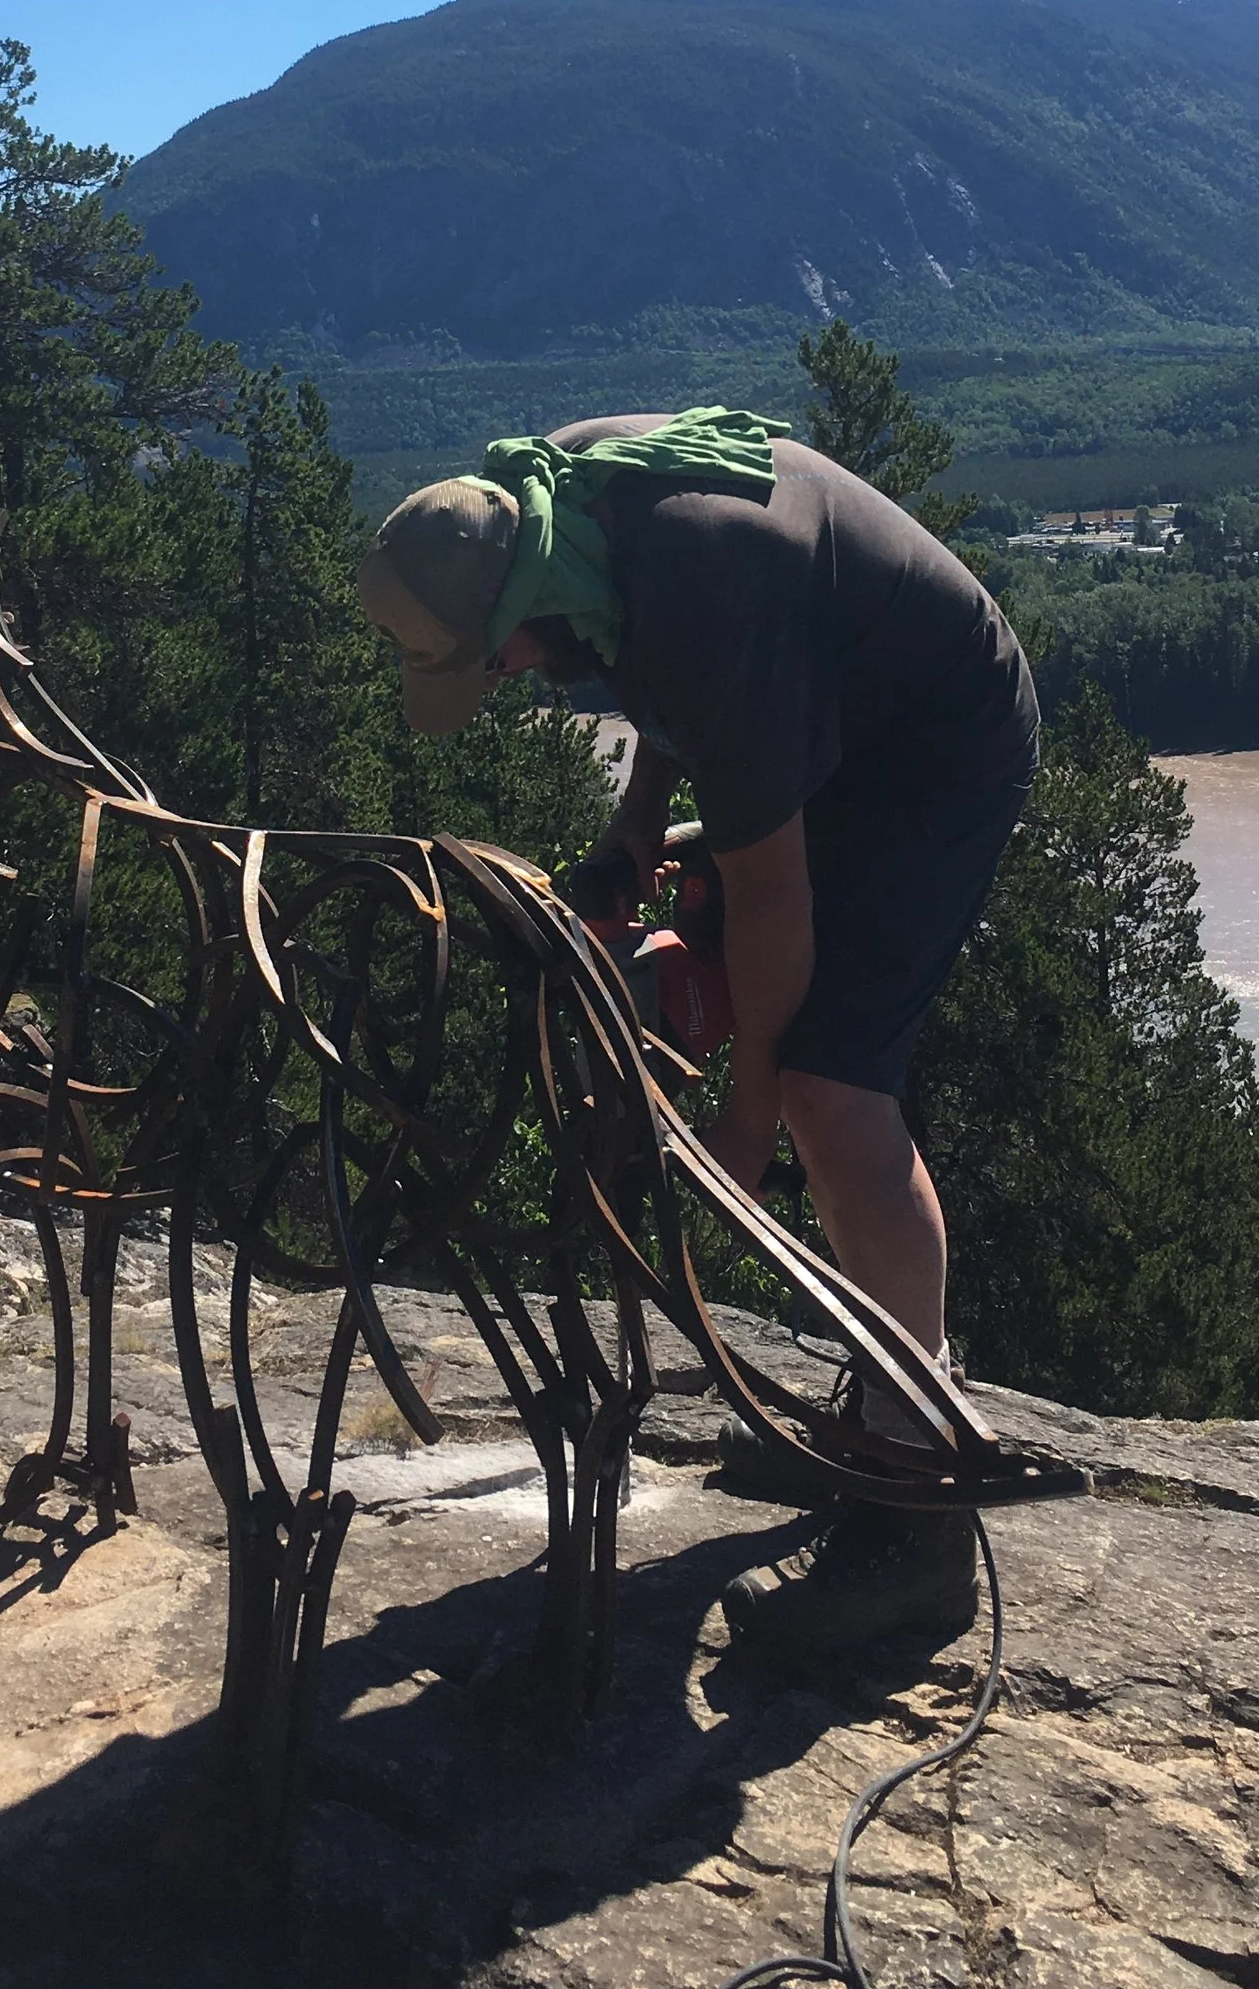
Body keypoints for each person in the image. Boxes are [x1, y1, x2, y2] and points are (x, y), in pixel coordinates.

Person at [355, 405, 1038, 1656]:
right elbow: (660, 681)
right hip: (826, 726)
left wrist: (749, 1112)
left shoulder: (703, 583)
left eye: (494, 663)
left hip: (933, 753)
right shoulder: (552, 508)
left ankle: (917, 1519)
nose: (503, 681)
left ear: (518, 612)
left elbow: (769, 884)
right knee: (805, 1056)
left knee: (836, 1090)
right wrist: (637, 819)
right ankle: (886, 1400)